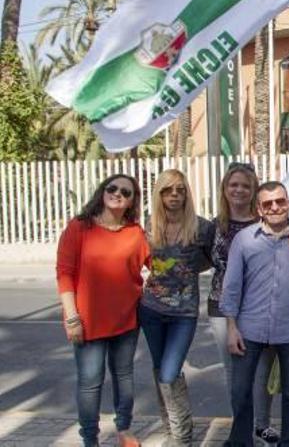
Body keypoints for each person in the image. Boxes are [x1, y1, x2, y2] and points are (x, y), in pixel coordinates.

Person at [56, 174, 150, 447]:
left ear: (133, 201)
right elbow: (64, 274)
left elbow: (159, 266)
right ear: (102, 191)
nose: (118, 194)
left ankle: (124, 430)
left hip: (127, 321)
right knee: (90, 383)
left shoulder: (135, 232)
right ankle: (90, 439)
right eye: (113, 188)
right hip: (87, 321)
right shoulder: (79, 227)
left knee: (124, 377)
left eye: (126, 192)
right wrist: (72, 317)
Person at [221, 181, 289, 446]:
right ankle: (241, 442)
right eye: (268, 204)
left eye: (280, 202)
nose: (275, 207)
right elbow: (231, 286)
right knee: (241, 391)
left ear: (288, 204)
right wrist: (231, 327)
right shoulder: (244, 240)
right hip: (249, 328)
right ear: (259, 209)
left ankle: (288, 441)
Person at [207, 162, 281, 444]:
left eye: (245, 186)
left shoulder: (266, 224)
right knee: (234, 374)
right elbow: (203, 259)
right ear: (224, 189)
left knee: (261, 372)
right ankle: (242, 430)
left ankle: (262, 425)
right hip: (221, 308)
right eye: (233, 185)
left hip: (259, 308)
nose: (238, 190)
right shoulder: (214, 226)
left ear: (254, 191)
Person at [141, 169, 214, 446]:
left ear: (186, 193)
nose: (174, 195)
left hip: (184, 312)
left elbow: (210, 259)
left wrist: (188, 272)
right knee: (159, 370)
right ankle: (171, 432)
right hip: (151, 309)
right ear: (159, 194)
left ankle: (182, 437)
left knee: (170, 371)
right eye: (168, 190)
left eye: (180, 190)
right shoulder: (149, 226)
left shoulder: (202, 227)